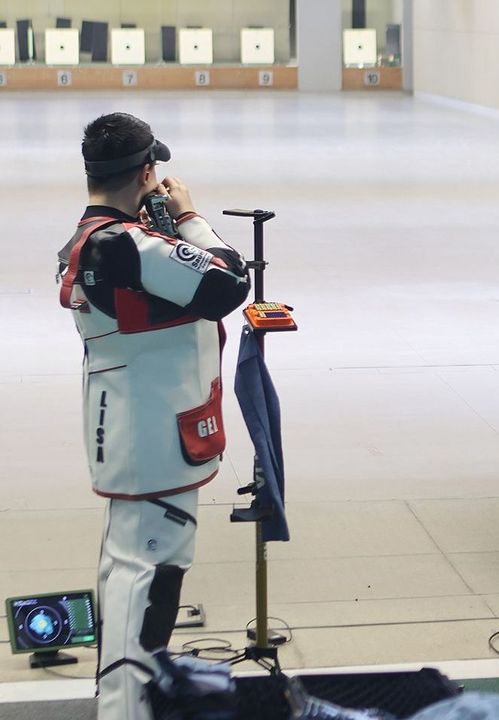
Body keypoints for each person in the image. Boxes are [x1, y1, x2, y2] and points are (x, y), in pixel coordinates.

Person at [57, 112, 250, 720]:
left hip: (137, 429)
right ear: (145, 172)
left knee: (136, 571)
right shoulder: (128, 245)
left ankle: (129, 702)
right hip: (154, 435)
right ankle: (126, 708)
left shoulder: (99, 240)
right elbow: (228, 282)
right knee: (145, 577)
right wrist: (190, 217)